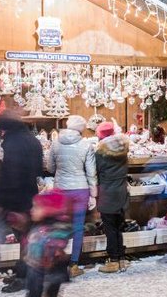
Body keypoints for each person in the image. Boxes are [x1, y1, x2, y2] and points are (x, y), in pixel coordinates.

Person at [0, 109, 45, 292]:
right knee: (27, 238)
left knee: (25, 240)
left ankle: (25, 277)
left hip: (17, 198)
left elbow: (12, 174)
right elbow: (39, 169)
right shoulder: (32, 139)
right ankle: (22, 273)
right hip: (30, 194)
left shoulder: (13, 143)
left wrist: (6, 201)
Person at [21, 189, 73, 297]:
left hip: (51, 274)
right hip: (36, 273)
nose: (32, 211)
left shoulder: (55, 228)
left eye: (36, 208)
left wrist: (54, 250)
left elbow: (60, 238)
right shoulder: (40, 226)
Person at [48, 114, 96, 277]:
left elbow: (50, 167)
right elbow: (91, 173)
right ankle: (74, 265)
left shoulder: (55, 143)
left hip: (61, 189)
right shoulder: (86, 145)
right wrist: (93, 194)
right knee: (77, 227)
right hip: (80, 189)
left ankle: (56, 262)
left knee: (59, 226)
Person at [93, 122, 130, 273]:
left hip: (107, 192)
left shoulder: (100, 153)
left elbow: (96, 170)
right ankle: (121, 259)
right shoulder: (123, 149)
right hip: (121, 191)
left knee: (110, 227)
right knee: (119, 226)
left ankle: (113, 260)